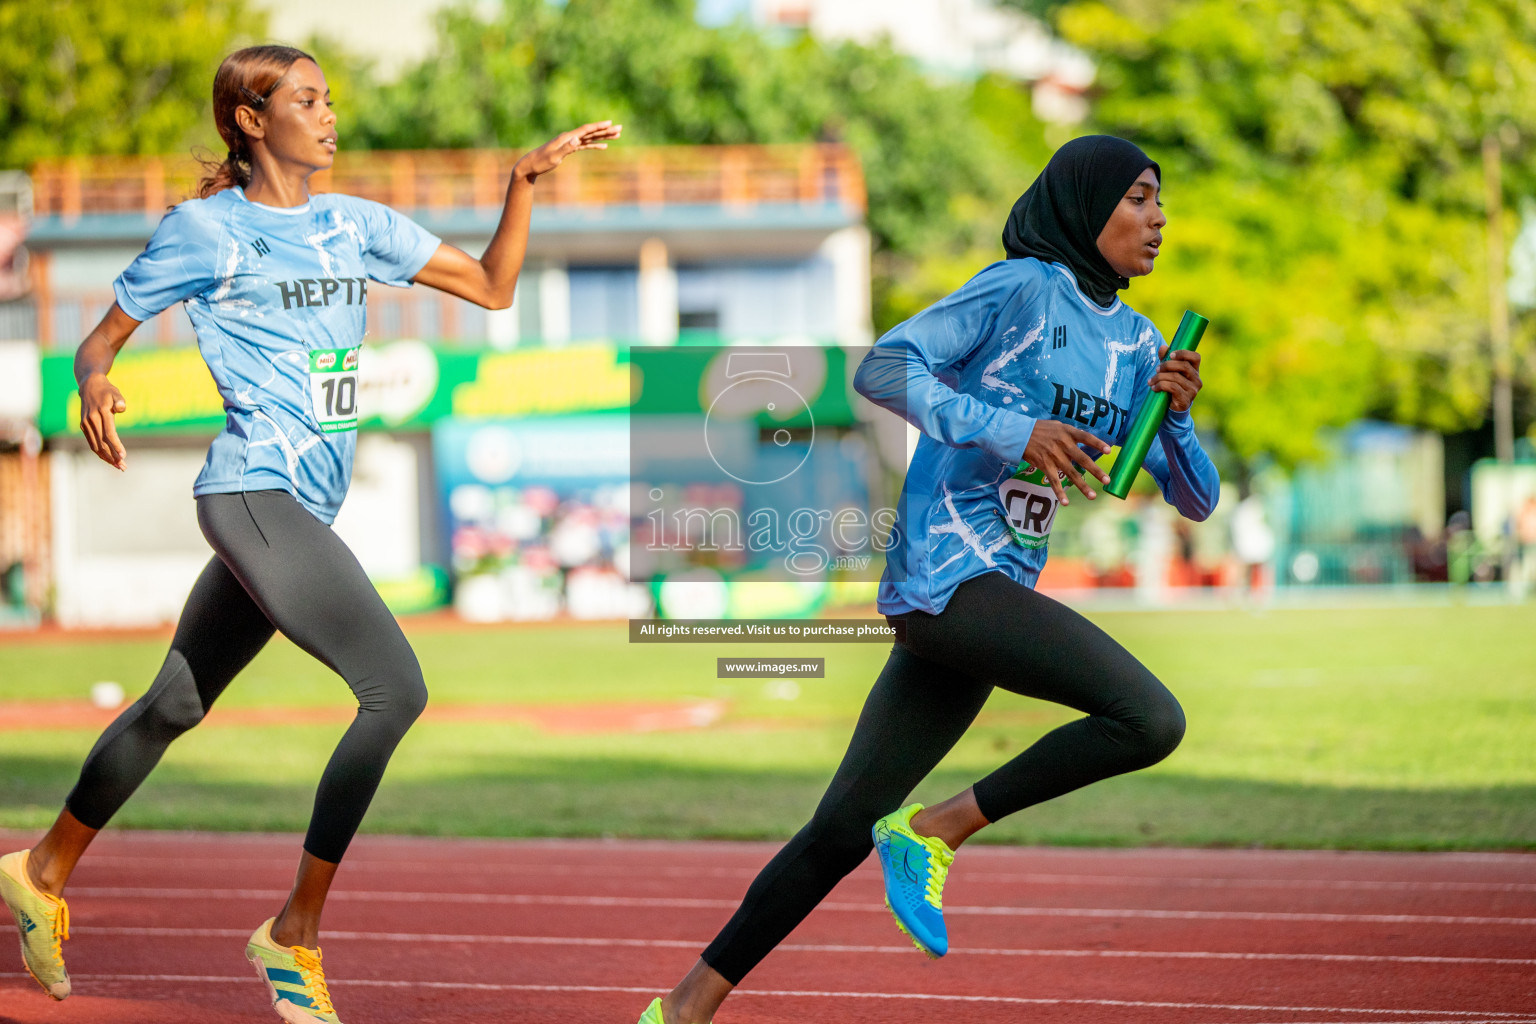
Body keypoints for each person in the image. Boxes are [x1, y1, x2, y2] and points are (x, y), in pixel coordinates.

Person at [0, 44, 618, 1024]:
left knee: (172, 703)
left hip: (300, 505)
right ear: (251, 120)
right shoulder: (206, 231)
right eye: (305, 100)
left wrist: (521, 181)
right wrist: (93, 381)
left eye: (330, 98)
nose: (329, 115)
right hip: (252, 492)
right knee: (395, 688)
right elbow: (98, 340)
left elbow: (496, 287)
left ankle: (40, 868)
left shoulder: (356, 224)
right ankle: (293, 932)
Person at [636, 135, 1218, 1024]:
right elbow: (884, 366)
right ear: (1084, 204)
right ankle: (936, 828)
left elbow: (1196, 500)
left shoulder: (1138, 342)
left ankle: (682, 1006)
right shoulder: (1021, 286)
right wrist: (1009, 430)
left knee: (837, 830)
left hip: (996, 596)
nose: (1159, 216)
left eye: (1160, 200)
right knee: (1149, 718)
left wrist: (1174, 417)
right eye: (1139, 197)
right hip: (948, 570)